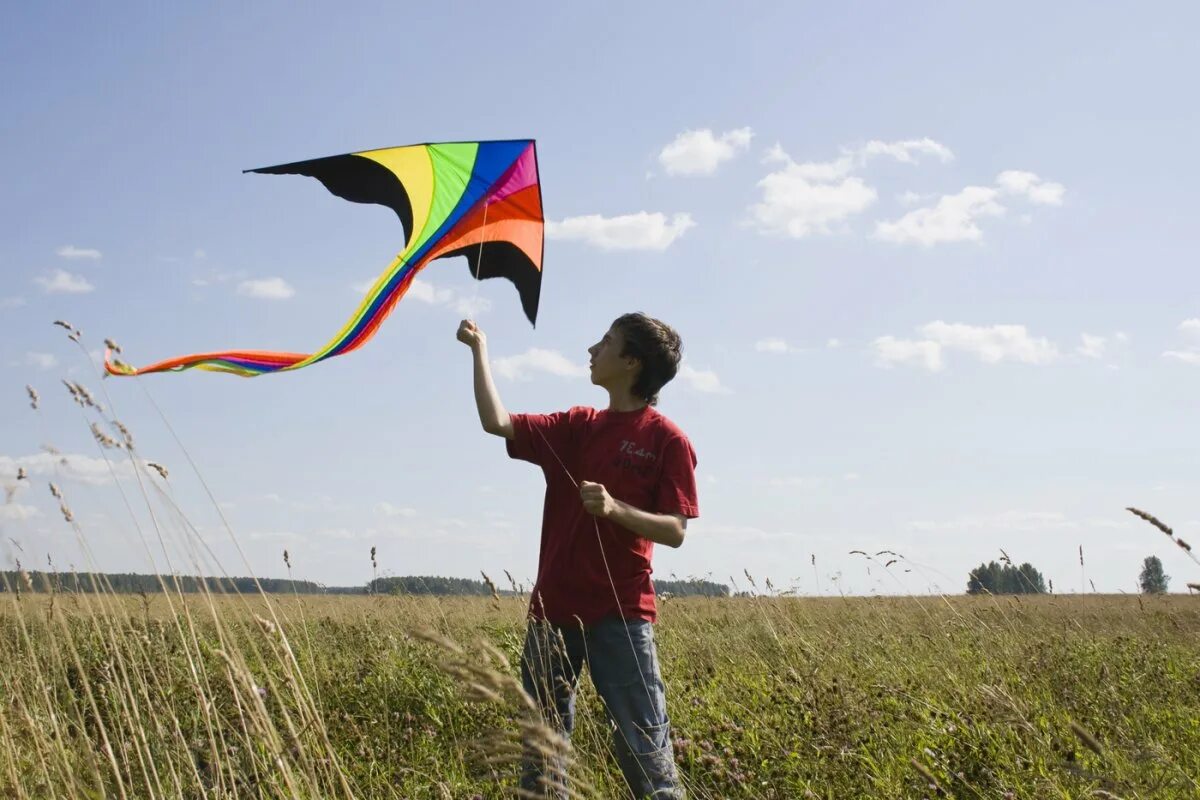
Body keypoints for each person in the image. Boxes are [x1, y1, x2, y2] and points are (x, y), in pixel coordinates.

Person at [457, 312, 699, 799]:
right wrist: (478, 348)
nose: (592, 349)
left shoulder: (666, 439)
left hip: (621, 616)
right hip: (552, 613)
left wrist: (614, 508)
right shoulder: (577, 426)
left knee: (643, 747)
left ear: (632, 362)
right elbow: (496, 422)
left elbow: (675, 530)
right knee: (542, 752)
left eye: (606, 342)